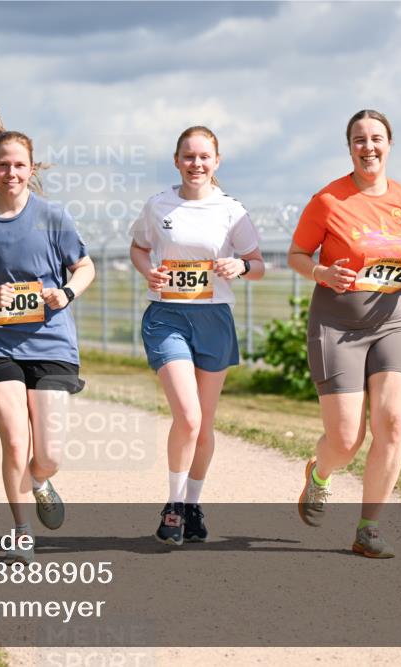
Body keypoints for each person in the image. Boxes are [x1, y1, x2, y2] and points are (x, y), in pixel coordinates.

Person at [288, 109, 401, 558]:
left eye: (376, 138)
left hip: (392, 321)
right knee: (345, 440)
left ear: (389, 144)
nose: (368, 147)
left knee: (392, 423)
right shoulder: (328, 200)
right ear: (350, 148)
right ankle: (319, 474)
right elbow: (297, 254)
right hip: (337, 325)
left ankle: (368, 529)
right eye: (360, 139)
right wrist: (321, 272)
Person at [0, 108, 95, 564]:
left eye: (19, 165)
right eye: (3, 165)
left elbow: (84, 267)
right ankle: (21, 530)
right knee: (15, 440)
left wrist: (65, 293)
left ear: (32, 169)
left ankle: (40, 480)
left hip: (51, 342)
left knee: (48, 455)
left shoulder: (53, 217)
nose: (10, 172)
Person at [129, 126, 265, 546]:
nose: (196, 164)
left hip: (214, 320)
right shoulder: (158, 205)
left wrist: (240, 267)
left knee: (203, 426)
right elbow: (137, 247)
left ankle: (192, 505)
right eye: (189, 156)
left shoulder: (231, 210)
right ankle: (172, 505)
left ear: (217, 161)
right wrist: (148, 271)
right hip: (167, 317)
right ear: (176, 161)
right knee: (187, 417)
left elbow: (258, 264)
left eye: (204, 156)